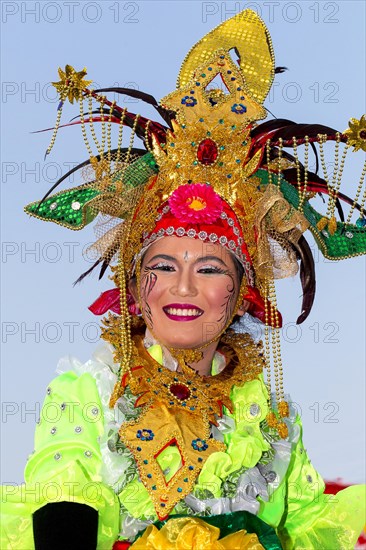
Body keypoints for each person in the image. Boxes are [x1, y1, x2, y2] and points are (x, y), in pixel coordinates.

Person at [1, 9, 365, 550]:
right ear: (135, 283)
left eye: (210, 268)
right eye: (164, 267)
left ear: (243, 290)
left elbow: (311, 527)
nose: (184, 288)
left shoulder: (264, 415)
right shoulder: (89, 392)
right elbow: (69, 496)